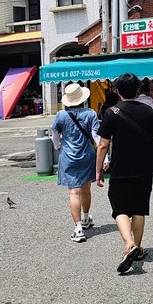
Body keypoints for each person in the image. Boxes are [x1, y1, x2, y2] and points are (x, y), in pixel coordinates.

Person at [96, 73, 153, 274]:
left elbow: (103, 145)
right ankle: (137, 247)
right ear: (138, 91)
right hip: (144, 169)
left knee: (119, 210)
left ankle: (129, 245)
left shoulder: (111, 113)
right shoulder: (147, 111)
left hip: (120, 169)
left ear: (117, 92)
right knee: (139, 209)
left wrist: (98, 170)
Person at [51, 84, 100, 243]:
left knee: (74, 192)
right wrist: (104, 157)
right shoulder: (90, 113)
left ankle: (78, 228)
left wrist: (59, 147)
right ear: (82, 99)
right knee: (86, 188)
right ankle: (86, 218)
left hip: (68, 156)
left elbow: (55, 136)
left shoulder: (61, 115)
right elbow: (96, 137)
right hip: (87, 155)